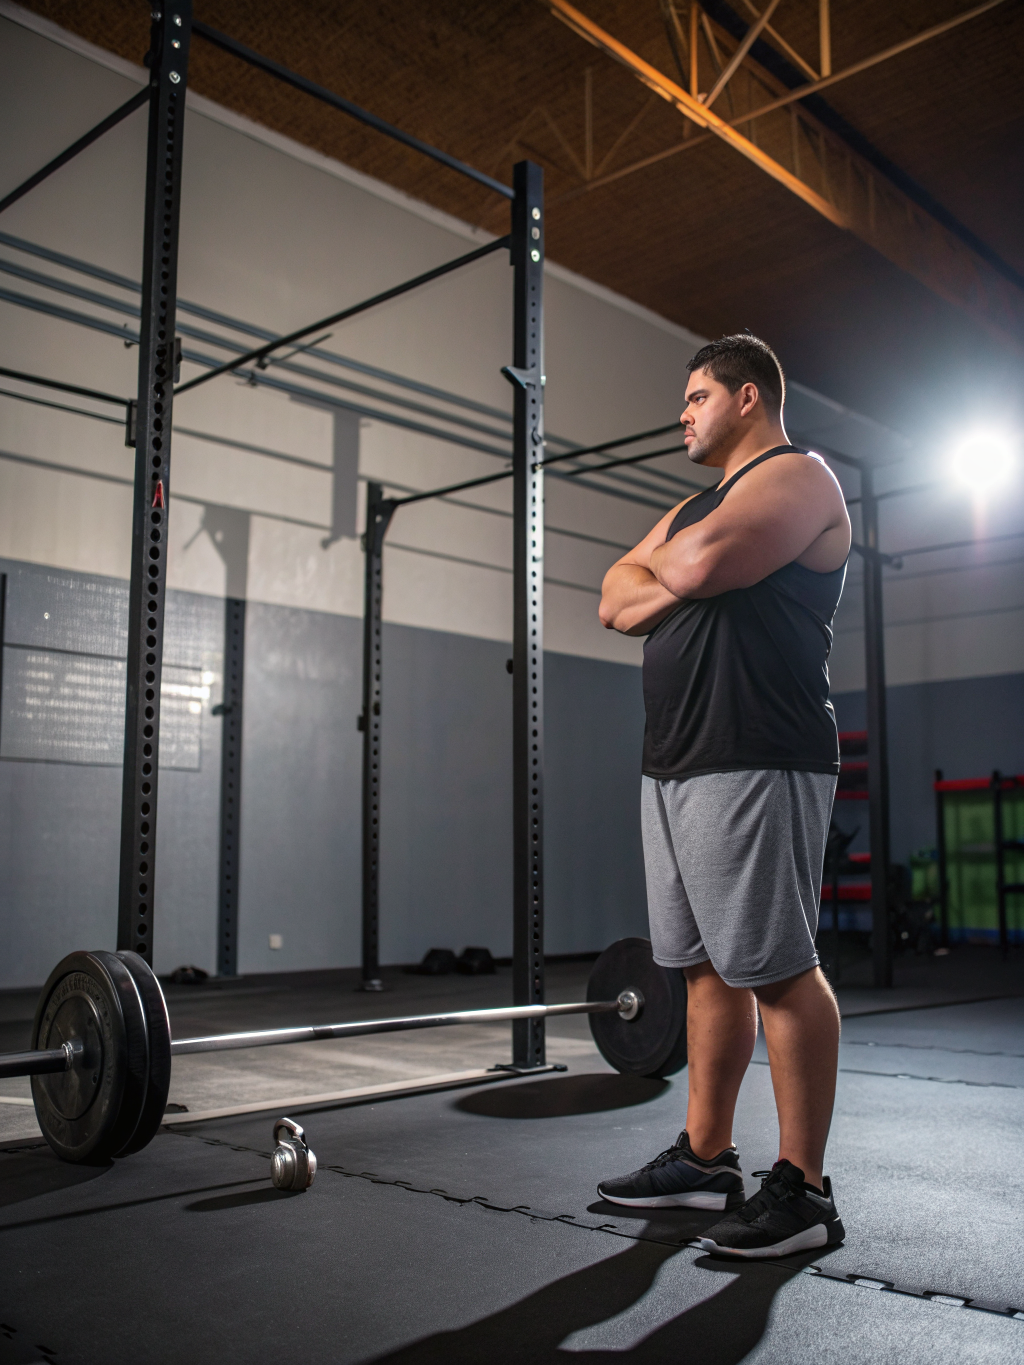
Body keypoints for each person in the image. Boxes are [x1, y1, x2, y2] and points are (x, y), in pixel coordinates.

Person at [596, 334, 851, 1259]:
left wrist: (676, 563)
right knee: (702, 966)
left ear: (749, 396)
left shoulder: (800, 478)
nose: (684, 412)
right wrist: (684, 555)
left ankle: (805, 1188)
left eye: (698, 395)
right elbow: (610, 599)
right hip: (675, 756)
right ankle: (707, 1159)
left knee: (777, 965)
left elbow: (687, 572)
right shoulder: (697, 507)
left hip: (758, 752)